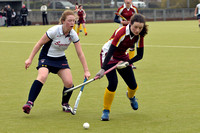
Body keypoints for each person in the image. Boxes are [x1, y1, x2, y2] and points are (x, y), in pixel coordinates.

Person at [22, 10, 91, 114]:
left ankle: (65, 104)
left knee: (69, 82)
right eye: (69, 20)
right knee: (42, 76)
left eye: (74, 21)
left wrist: (86, 70)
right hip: (46, 57)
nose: (72, 23)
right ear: (63, 21)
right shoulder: (54, 31)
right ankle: (29, 103)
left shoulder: (73, 35)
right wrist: (30, 59)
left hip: (60, 58)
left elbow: (80, 53)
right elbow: (39, 43)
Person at [96, 14, 148, 121]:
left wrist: (127, 63)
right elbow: (110, 51)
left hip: (122, 55)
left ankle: (131, 97)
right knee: (113, 83)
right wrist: (102, 69)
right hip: (108, 55)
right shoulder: (121, 32)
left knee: (133, 86)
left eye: (140, 28)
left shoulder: (139, 36)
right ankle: (106, 110)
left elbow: (140, 55)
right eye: (135, 27)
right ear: (130, 24)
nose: (137, 30)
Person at [114, 0, 138, 69]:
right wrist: (122, 22)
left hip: (132, 29)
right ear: (124, 1)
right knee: (121, 46)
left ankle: (130, 63)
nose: (128, 1)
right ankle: (118, 61)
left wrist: (132, 22)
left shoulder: (134, 9)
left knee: (132, 46)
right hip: (123, 30)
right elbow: (115, 19)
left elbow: (137, 18)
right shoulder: (121, 9)